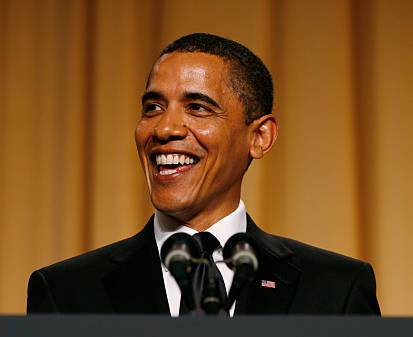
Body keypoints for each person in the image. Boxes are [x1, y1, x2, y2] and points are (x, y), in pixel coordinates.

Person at [27, 33, 380, 315]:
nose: (164, 128)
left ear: (259, 137)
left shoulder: (335, 290)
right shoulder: (65, 293)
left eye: (197, 107)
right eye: (153, 107)